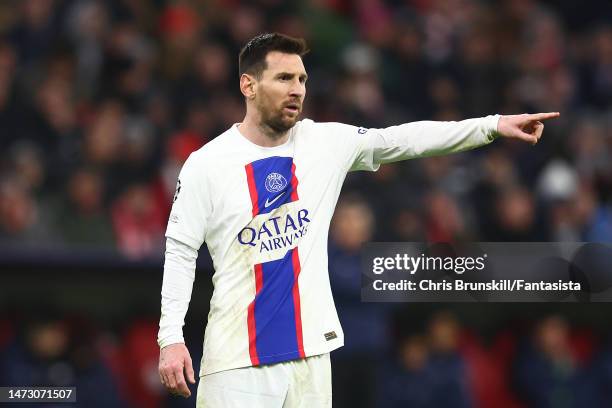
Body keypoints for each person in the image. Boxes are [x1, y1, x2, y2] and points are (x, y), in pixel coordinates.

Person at [157, 32, 559, 407]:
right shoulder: (206, 165)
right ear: (248, 85)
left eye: (302, 78)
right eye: (283, 77)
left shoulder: (324, 143)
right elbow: (180, 252)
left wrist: (490, 126)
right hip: (237, 359)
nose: (297, 89)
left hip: (311, 356)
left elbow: (404, 140)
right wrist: (171, 338)